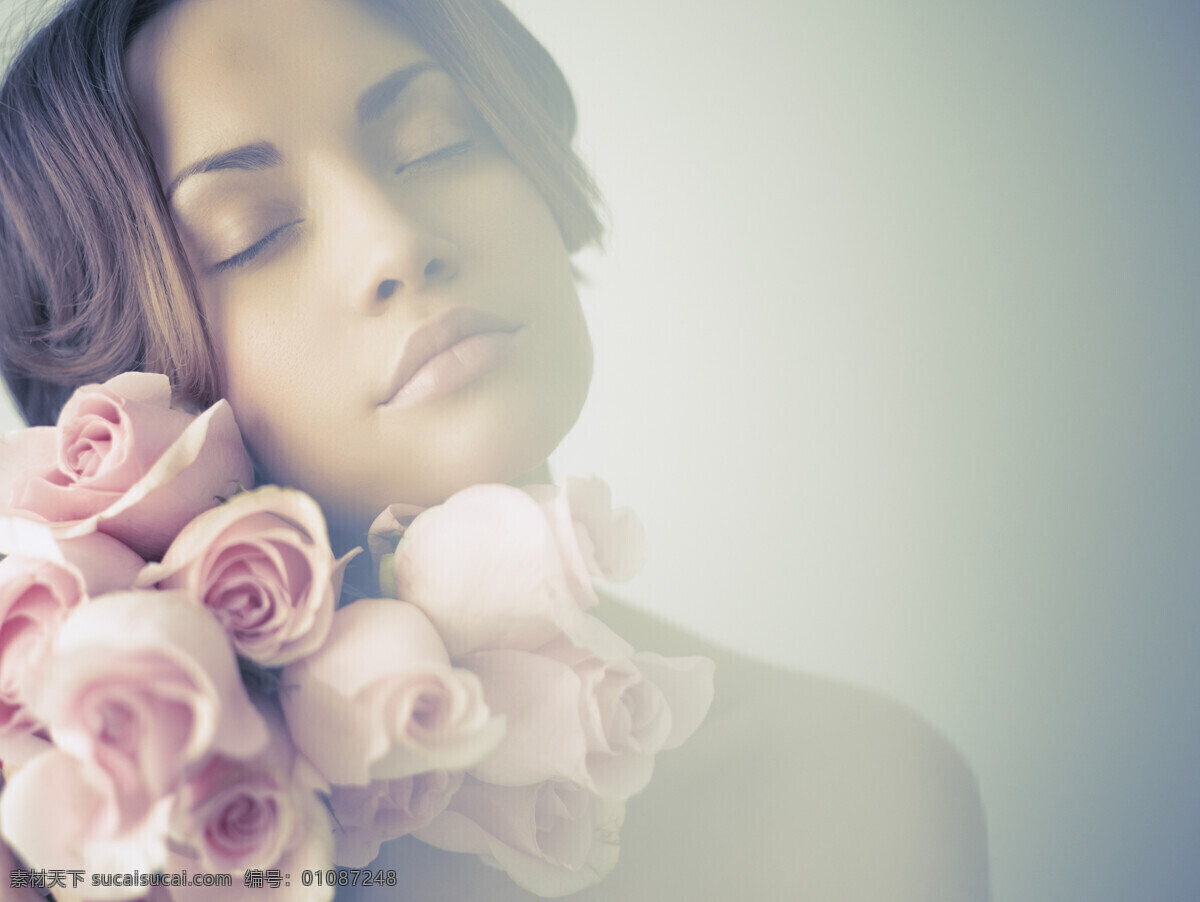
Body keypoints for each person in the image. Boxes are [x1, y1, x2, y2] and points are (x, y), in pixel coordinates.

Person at [0, 0, 990, 898]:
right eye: (250, 235)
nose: (394, 241)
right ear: (114, 394)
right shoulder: (70, 855)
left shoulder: (854, 794)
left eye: (434, 141)